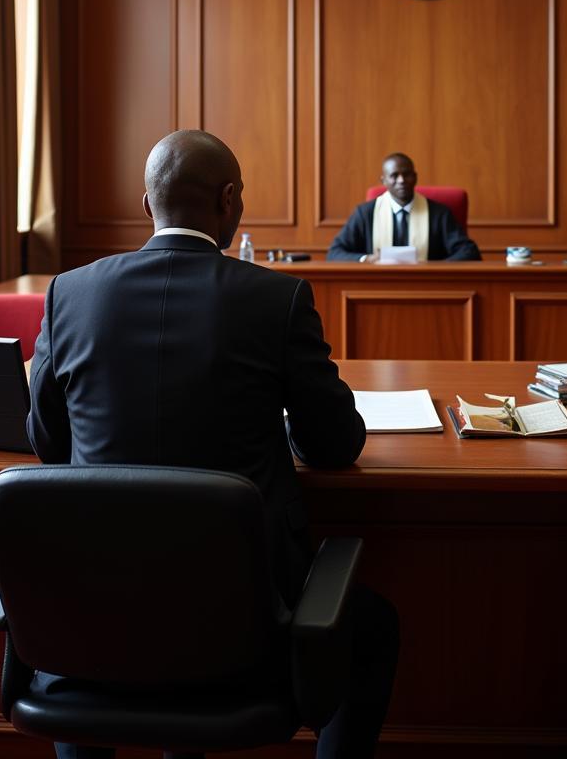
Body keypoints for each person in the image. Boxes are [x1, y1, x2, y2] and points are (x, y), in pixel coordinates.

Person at [26, 129, 398, 759]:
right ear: (229, 200)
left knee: (89, 642)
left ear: (147, 205)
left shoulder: (70, 294)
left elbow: (46, 443)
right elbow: (335, 444)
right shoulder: (276, 298)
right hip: (245, 623)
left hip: (95, 610)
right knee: (375, 626)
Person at [327, 152, 481, 262]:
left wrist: (434, 268)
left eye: (407, 174)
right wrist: (367, 259)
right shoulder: (365, 213)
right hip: (377, 289)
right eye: (394, 175)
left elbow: (469, 252)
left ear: (415, 178)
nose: (401, 180)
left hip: (428, 289)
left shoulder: (439, 213)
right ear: (384, 181)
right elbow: (335, 253)